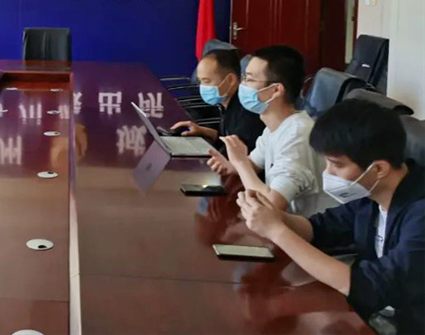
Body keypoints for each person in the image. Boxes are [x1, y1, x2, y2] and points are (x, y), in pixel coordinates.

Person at [238, 99, 425, 334]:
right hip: (375, 316)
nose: (328, 173)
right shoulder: (372, 195)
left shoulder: (419, 212)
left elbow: (370, 286)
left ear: (379, 169)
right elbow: (319, 229)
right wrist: (274, 215)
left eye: (337, 165)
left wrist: (277, 231)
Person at [207, 45, 333, 217]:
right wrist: (231, 165)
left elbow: (271, 205)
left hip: (306, 230)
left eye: (249, 79)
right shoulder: (276, 126)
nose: (242, 85)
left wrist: (240, 163)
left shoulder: (297, 136)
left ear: (275, 90)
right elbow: (253, 164)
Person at [171, 49, 265, 152]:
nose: (202, 87)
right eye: (200, 81)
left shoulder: (247, 112)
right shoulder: (229, 104)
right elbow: (228, 139)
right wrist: (204, 132)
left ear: (230, 80)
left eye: (206, 81)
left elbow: (236, 152)